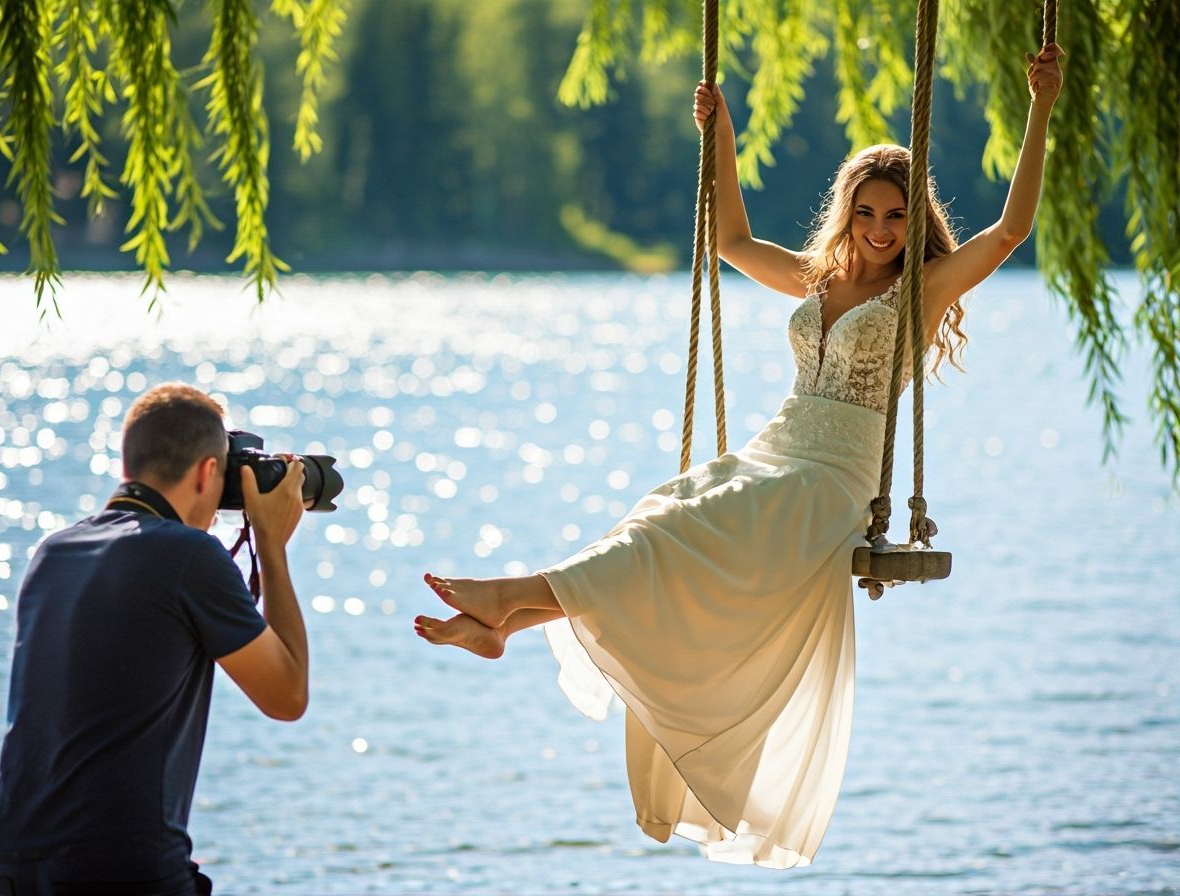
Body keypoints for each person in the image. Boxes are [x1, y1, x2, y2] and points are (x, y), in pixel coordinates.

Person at [414, 45, 1065, 867]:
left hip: (834, 478)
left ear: (913, 223)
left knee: (682, 532)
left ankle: (509, 598)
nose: (877, 231)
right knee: (661, 518)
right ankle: (506, 618)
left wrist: (1040, 105)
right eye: (865, 213)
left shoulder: (922, 291)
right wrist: (718, 126)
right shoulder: (818, 281)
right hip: (776, 448)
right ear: (846, 213)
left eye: (894, 217)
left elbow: (1011, 230)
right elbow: (729, 238)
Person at [0, 383, 310, 895]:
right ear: (209, 472)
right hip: (123, 869)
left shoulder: (54, 552)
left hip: (14, 865)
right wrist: (270, 543)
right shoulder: (189, 555)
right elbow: (287, 696)